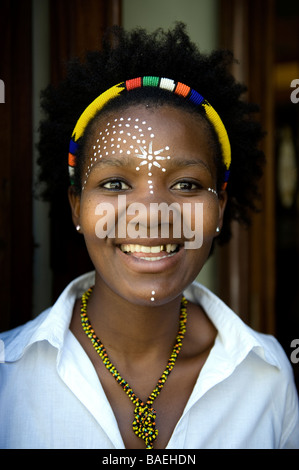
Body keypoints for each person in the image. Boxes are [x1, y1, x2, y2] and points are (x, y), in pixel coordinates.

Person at [0, 23, 298, 449]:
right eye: (116, 184)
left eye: (187, 185)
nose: (152, 215)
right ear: (75, 207)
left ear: (221, 208)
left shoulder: (266, 376)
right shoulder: (7, 376)